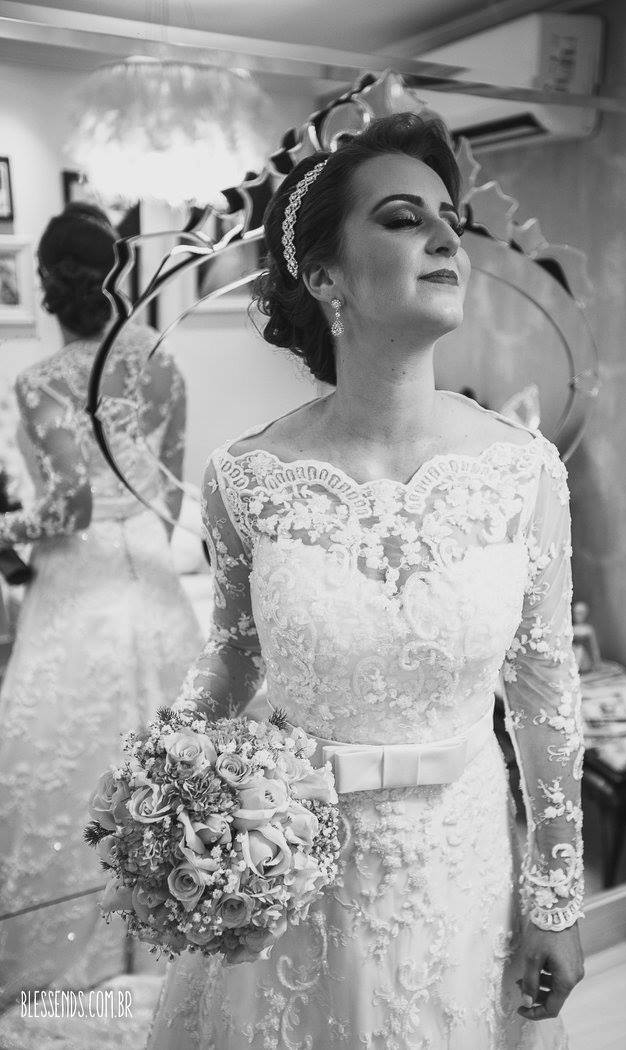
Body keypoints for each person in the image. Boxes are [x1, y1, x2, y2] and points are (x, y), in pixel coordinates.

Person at [146, 113, 585, 1049]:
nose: (446, 238)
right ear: (324, 276)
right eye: (402, 218)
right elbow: (229, 664)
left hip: (464, 863)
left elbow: (546, 697)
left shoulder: (524, 471)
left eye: (450, 219)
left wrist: (555, 893)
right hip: (293, 866)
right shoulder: (247, 480)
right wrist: (163, 789)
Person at [0, 202, 203, 1011]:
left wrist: (8, 527)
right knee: (168, 763)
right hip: (150, 580)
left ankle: (71, 965)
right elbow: (169, 490)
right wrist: (143, 545)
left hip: (79, 588)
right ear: (116, 276)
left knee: (68, 762)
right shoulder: (161, 361)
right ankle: (175, 942)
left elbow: (69, 505)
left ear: (49, 284)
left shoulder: (41, 381)